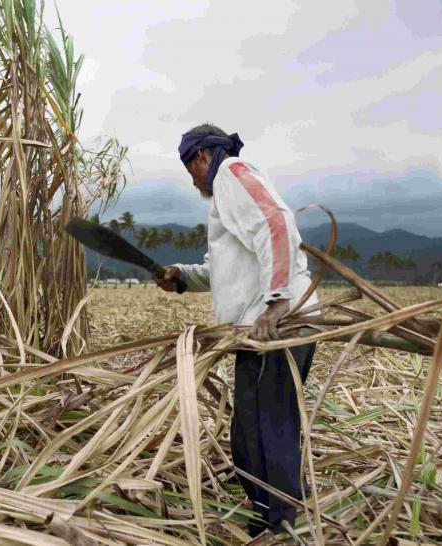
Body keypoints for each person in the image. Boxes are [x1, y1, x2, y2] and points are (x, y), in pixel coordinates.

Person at [155, 123, 318, 536]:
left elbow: (276, 223)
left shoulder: (231, 173)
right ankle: (268, 514)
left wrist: (277, 301)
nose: (193, 182)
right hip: (260, 328)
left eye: (189, 170)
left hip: (276, 327)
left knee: (267, 427)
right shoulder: (225, 195)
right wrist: (183, 276)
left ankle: (279, 526)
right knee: (252, 428)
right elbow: (224, 270)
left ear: (201, 158)